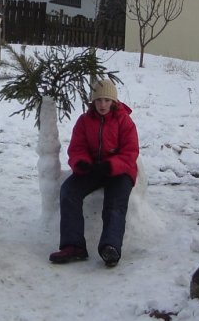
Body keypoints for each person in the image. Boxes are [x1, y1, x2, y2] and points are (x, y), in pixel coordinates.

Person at [49, 79, 139, 267]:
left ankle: (110, 247)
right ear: (93, 102)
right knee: (69, 191)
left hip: (120, 171)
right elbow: (77, 148)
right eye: (98, 100)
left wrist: (110, 165)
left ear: (113, 101)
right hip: (94, 168)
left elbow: (130, 153)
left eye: (106, 100)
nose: (102, 104)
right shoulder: (84, 121)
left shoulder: (124, 121)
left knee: (115, 202)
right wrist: (81, 163)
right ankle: (74, 246)